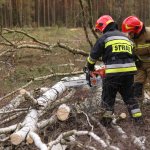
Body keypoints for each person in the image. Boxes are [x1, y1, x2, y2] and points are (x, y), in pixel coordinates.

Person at [86, 15, 143, 127]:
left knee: (108, 99)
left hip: (113, 75)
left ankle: (106, 124)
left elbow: (92, 57)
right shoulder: (126, 38)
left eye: (99, 29)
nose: (100, 32)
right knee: (130, 98)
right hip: (129, 74)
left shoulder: (104, 38)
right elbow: (136, 59)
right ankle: (139, 121)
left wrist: (90, 69)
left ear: (103, 26)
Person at [122, 16, 150, 104]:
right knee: (137, 84)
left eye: (130, 33)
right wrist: (133, 57)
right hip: (140, 64)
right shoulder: (130, 39)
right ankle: (139, 105)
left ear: (137, 29)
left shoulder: (148, 34)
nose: (128, 35)